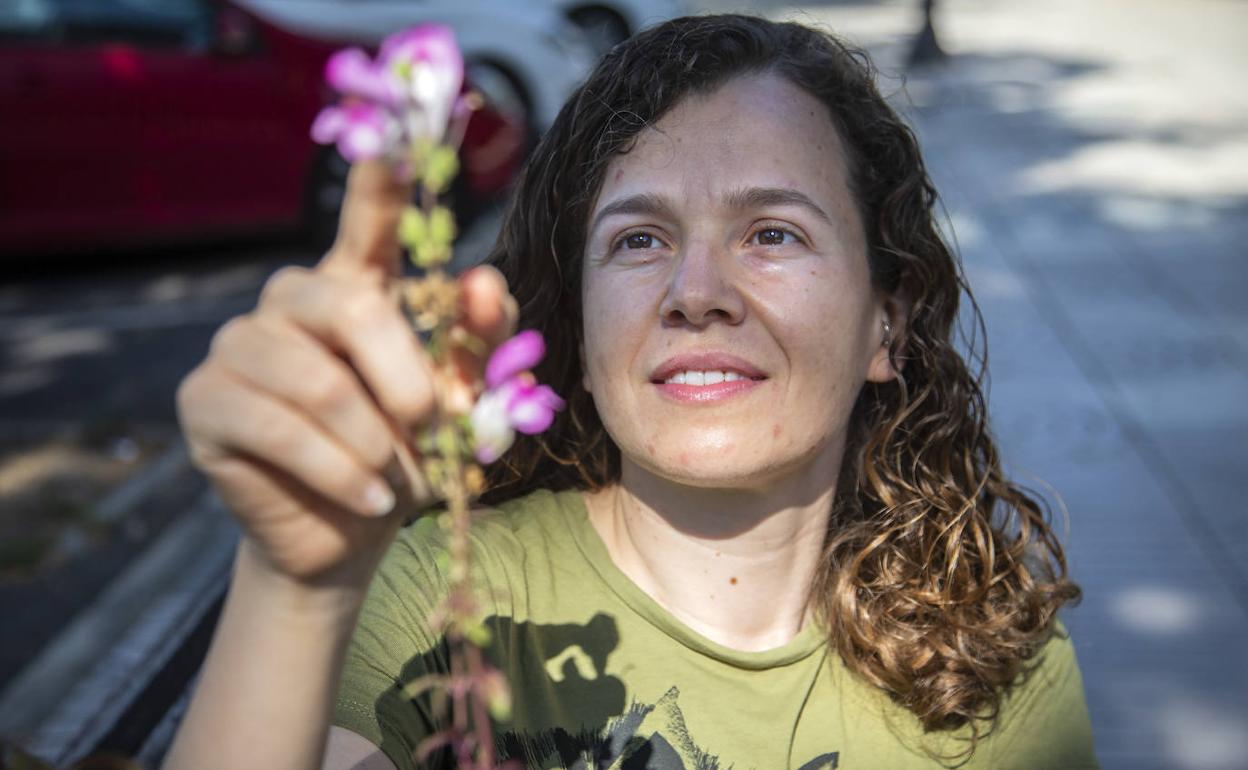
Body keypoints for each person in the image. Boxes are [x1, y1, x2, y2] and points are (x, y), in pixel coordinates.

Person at [165, 14, 1097, 770]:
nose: (696, 292)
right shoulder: (438, 598)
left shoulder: (995, 664)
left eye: (772, 233)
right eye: (638, 240)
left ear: (885, 323)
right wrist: (294, 589)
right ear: (578, 323)